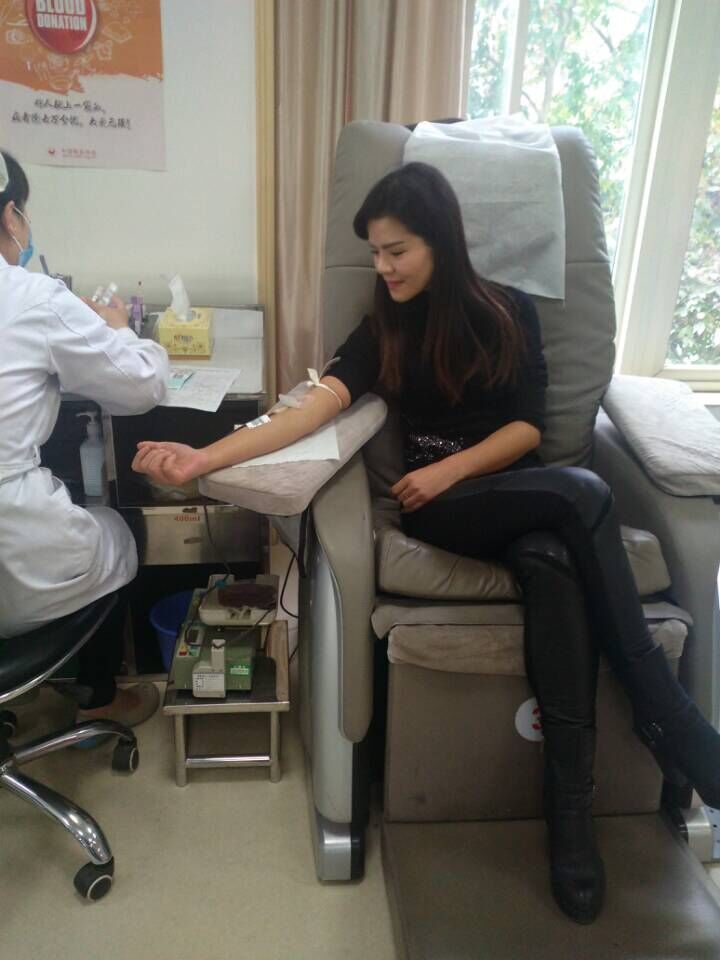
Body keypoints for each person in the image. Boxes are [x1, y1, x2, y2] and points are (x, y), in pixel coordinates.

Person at [132, 161, 720, 923]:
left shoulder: (508, 311)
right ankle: (667, 715)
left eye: (397, 250)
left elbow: (529, 428)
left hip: (512, 494)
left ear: (441, 240)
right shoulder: (383, 329)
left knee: (552, 561)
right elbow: (310, 411)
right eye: (375, 252)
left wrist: (452, 467)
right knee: (585, 494)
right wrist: (203, 458)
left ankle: (570, 812)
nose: (383, 266)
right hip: (441, 511)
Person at [0, 149, 169, 729]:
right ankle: (98, 699)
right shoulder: (30, 296)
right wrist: (121, 330)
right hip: (12, 545)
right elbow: (141, 386)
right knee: (116, 532)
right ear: (12, 216)